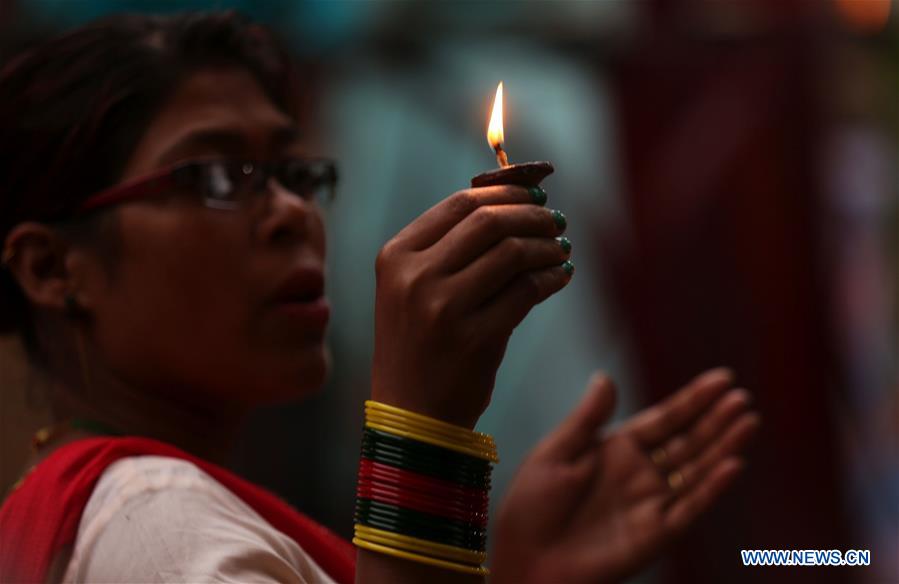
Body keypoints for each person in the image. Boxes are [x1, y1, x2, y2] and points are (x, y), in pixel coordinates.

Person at [0, 11, 759, 584]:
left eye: (299, 175)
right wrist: (422, 434)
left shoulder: (157, 515)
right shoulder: (159, 530)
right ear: (50, 268)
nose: (297, 213)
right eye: (219, 177)